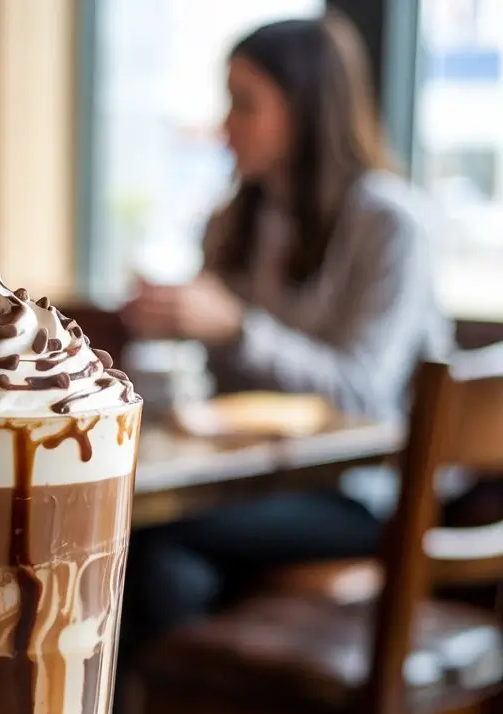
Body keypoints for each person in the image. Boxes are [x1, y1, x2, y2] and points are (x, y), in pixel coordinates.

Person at [119, 13, 453, 649]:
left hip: (366, 494)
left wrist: (238, 328)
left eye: (244, 105)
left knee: (144, 536)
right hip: (248, 484)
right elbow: (216, 393)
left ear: (305, 109)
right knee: (164, 567)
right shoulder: (235, 218)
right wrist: (164, 331)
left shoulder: (389, 225)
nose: (224, 126)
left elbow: (364, 394)